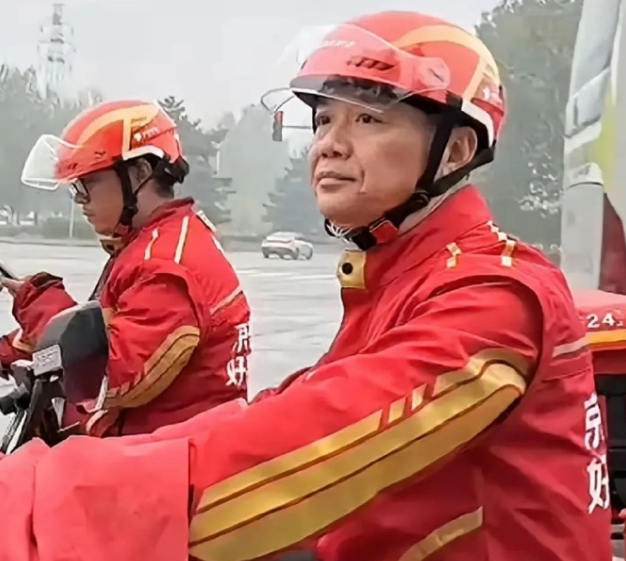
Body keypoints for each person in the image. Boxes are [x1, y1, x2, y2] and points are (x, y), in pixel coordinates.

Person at [0, 11, 613, 561]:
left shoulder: (492, 298)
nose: (328, 145)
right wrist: (60, 473)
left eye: (367, 118)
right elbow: (283, 408)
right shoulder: (402, 275)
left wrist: (44, 502)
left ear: (453, 150)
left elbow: (295, 449)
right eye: (322, 120)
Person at [0, 99, 250, 436]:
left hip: (162, 455)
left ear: (139, 173)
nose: (79, 200)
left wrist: (39, 305)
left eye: (87, 183)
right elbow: (102, 329)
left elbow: (108, 373)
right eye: (76, 188)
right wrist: (12, 348)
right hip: (150, 443)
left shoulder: (166, 265)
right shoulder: (153, 241)